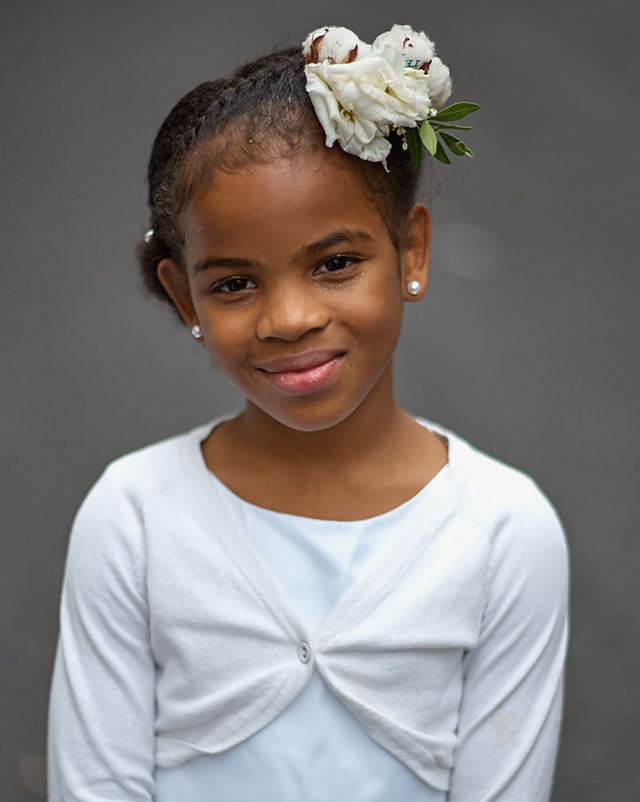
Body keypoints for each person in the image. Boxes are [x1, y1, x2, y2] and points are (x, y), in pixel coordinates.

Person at [47, 24, 569, 802]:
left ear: (412, 252)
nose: (288, 318)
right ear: (184, 294)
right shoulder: (132, 516)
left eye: (334, 264)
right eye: (233, 283)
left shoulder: (504, 529)